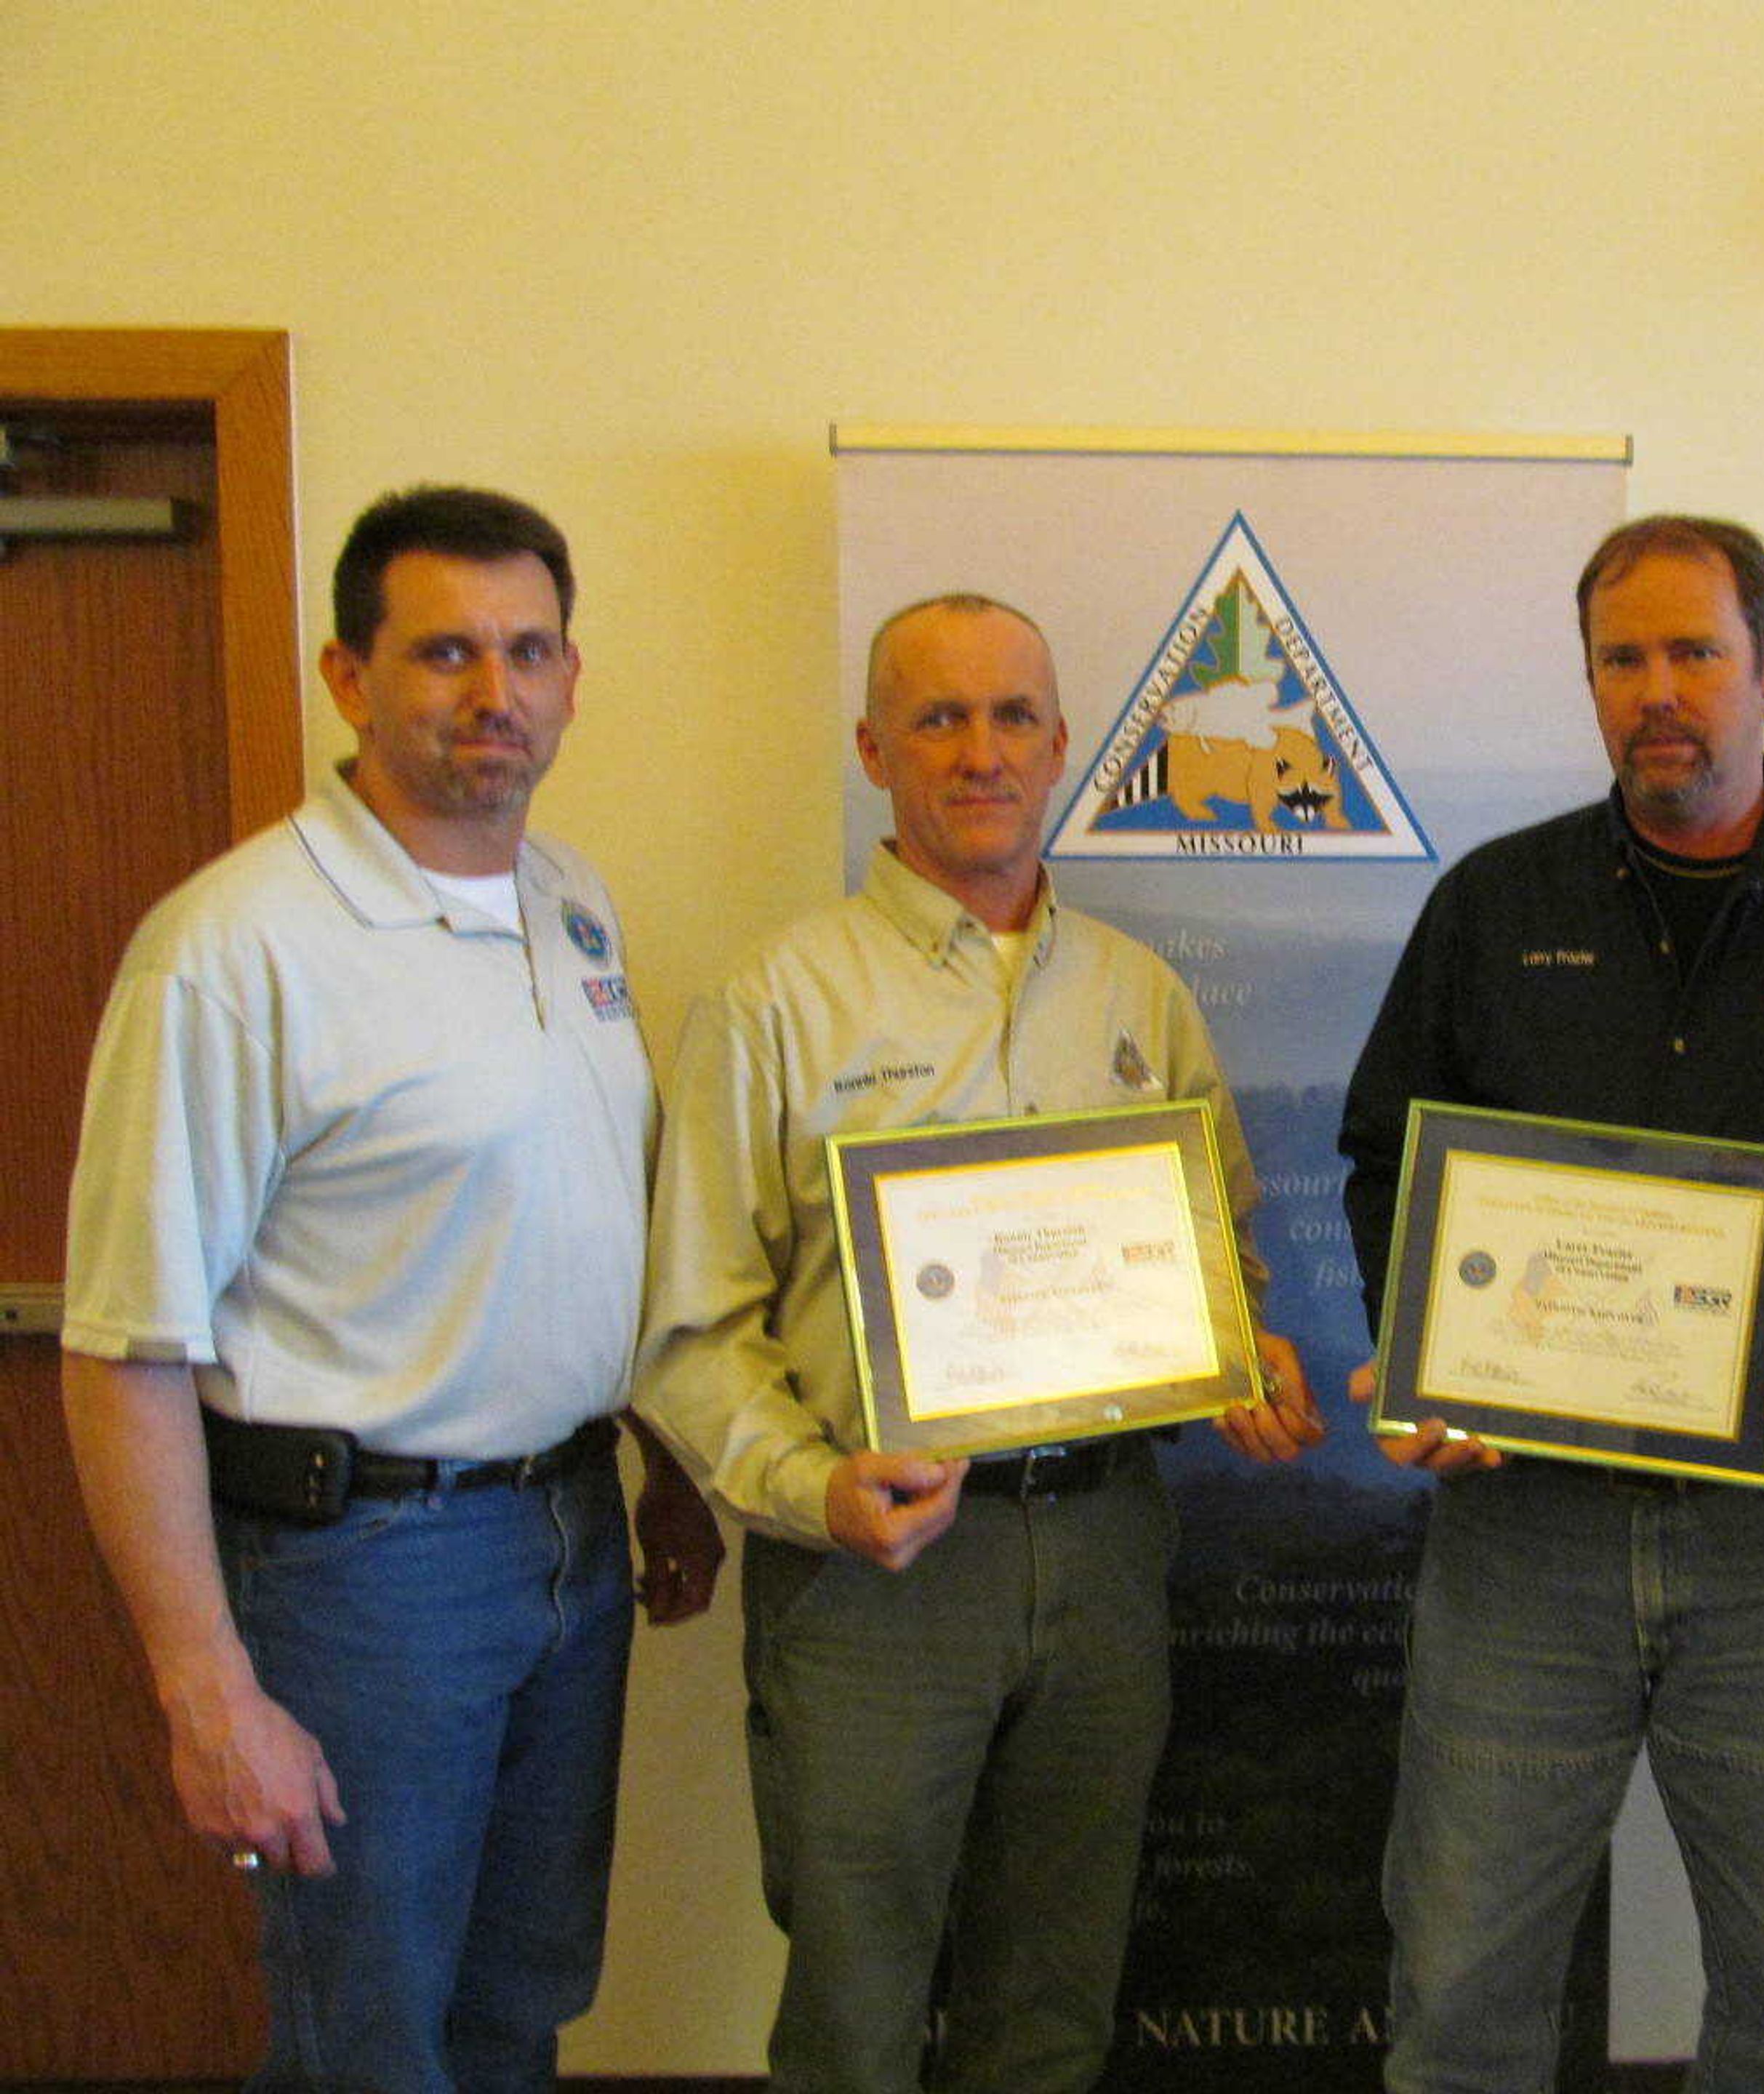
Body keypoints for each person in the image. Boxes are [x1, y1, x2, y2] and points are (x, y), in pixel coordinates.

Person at [59, 484, 723, 2093]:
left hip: (567, 1538)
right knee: (371, 2035)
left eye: (529, 650)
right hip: (366, 1574)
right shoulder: (233, 950)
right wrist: (206, 1690)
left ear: (572, 676)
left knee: (521, 2003)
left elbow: (561, 1218)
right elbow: (126, 1346)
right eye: (443, 652)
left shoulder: (572, 903)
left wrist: (659, 1463)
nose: (494, 694)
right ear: (348, 678)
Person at [633, 592, 1321, 2094]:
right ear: (876, 746)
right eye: (938, 717)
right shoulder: (773, 1004)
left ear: (1067, 743)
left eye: (1014, 716)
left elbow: (1223, 1259)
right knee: (856, 2019)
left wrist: (1247, 1351)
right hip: (878, 1574)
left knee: (1054, 2008)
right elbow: (688, 1331)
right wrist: (812, 1490)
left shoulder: (1141, 995)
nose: (981, 751)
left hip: (1103, 1553)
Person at [1339, 516, 1764, 2091]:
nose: (1659, 691)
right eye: (1622, 658)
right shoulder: (1495, 907)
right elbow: (1383, 1160)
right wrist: (1427, 1353)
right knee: (1462, 1996)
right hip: (1525, 1538)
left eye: (1694, 650)